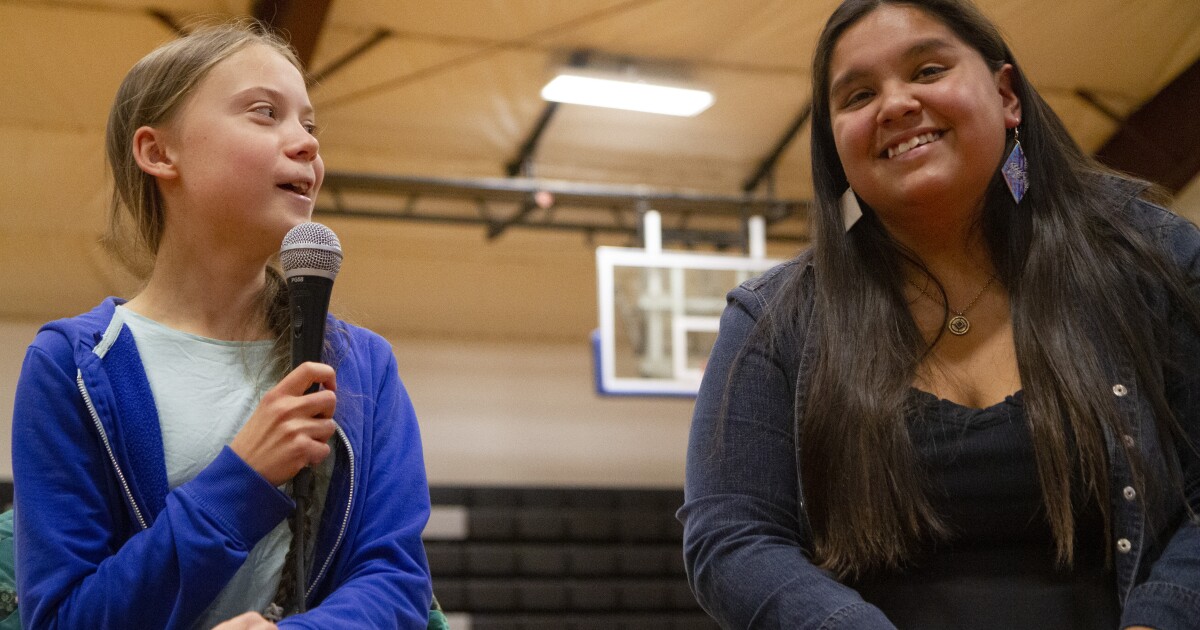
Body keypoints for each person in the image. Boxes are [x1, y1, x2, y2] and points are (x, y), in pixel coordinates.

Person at [678, 0, 1200, 628]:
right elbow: (732, 538)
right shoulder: (772, 322)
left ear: (1007, 95)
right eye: (858, 95)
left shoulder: (1156, 262)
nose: (895, 104)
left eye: (927, 71)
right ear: (837, 145)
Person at [11, 21, 433, 629]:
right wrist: (242, 482)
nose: (307, 144)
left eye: (310, 125)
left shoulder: (362, 363)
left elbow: (395, 584)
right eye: (265, 113)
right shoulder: (73, 367)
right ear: (159, 153)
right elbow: (63, 618)